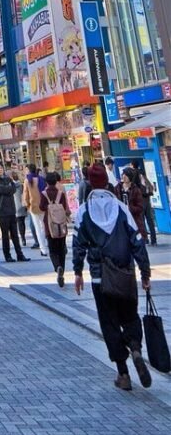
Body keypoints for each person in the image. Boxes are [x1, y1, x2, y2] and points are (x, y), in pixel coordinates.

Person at [73, 162, 152, 391]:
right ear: (106, 183)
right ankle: (135, 347)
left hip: (100, 277)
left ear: (89, 183)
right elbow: (136, 240)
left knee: (109, 323)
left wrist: (77, 272)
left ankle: (123, 373)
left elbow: (78, 244)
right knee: (129, 316)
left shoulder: (84, 211)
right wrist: (144, 272)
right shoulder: (120, 207)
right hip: (124, 272)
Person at [0, 163, 30, 263]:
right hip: (2, 211)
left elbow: (13, 188)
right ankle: (7, 255)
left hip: (11, 209)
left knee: (15, 234)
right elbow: (0, 189)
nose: (0, 169)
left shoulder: (8, 179)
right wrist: (7, 189)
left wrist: (7, 189)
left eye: (1, 168)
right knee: (5, 235)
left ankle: (20, 254)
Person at [39, 172, 70, 287]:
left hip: (49, 224)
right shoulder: (60, 193)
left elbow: (41, 207)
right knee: (61, 247)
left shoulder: (44, 194)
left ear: (46, 182)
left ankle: (57, 267)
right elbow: (65, 206)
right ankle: (62, 267)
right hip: (61, 223)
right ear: (56, 181)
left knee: (52, 249)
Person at [22, 164, 48, 256]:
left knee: (38, 227)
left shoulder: (27, 180)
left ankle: (43, 248)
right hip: (44, 206)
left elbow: (25, 195)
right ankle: (46, 244)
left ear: (29, 170)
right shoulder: (41, 179)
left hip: (33, 207)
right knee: (44, 226)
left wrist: (27, 205)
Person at [115, 167, 147, 241]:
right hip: (121, 221)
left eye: (126, 175)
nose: (124, 176)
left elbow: (140, 207)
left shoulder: (136, 190)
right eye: (123, 174)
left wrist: (130, 208)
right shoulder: (117, 188)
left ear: (130, 177)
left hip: (134, 221)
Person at [131, 159, 157, 246]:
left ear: (132, 165)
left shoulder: (134, 174)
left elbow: (133, 187)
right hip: (147, 199)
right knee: (150, 220)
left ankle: (145, 239)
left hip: (140, 199)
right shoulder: (142, 172)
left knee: (141, 220)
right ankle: (154, 239)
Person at [12, 170, 28, 248]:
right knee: (22, 222)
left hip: (14, 206)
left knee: (18, 223)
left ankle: (21, 238)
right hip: (22, 205)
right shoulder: (22, 185)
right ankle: (23, 237)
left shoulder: (11, 186)